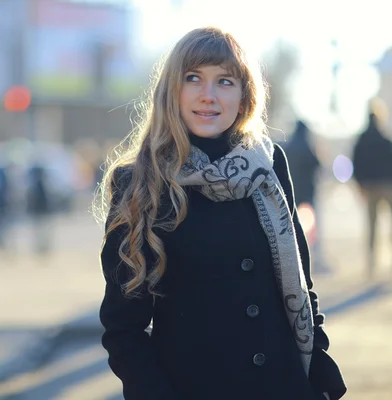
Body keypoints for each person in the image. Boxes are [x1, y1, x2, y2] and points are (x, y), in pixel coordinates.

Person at [95, 27, 346, 400]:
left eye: (225, 81)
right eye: (193, 78)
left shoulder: (269, 165)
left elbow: (301, 286)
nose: (208, 96)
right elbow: (123, 328)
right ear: (171, 92)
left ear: (244, 97)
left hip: (285, 385)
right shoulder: (138, 181)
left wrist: (320, 371)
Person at [352, 98, 392, 278]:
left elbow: (356, 163)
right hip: (386, 185)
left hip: (369, 187)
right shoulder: (385, 139)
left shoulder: (361, 140)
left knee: (372, 225)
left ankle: (371, 262)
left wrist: (360, 184)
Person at [283, 119, 328, 273]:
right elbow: (318, 166)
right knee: (313, 228)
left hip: (292, 195)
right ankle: (316, 259)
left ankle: (296, 261)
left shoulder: (289, 147)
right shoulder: (307, 147)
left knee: (294, 228)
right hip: (308, 193)